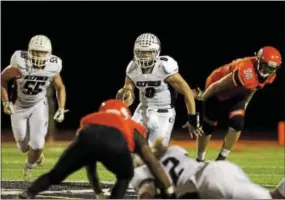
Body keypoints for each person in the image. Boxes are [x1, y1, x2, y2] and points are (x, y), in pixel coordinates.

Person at [18, 99, 175, 199]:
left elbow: (90, 165)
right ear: (125, 114)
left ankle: (28, 193)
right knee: (125, 175)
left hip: (86, 138)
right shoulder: (130, 124)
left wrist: (98, 193)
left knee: (55, 174)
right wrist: (168, 187)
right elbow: (150, 160)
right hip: (115, 142)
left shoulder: (93, 120)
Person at [193, 46, 282, 161]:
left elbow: (254, 88)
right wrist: (201, 100)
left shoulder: (271, 76)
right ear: (258, 60)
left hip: (237, 93)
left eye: (271, 68)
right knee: (208, 127)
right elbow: (218, 85)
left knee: (238, 123)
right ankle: (200, 160)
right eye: (266, 66)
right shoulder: (246, 70)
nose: (268, 71)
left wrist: (244, 105)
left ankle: (221, 160)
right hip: (217, 89)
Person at [116, 33, 201, 148]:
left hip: (163, 113)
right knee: (127, 143)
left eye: (149, 52)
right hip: (143, 109)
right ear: (135, 51)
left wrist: (192, 118)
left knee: (155, 152)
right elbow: (128, 90)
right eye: (141, 52)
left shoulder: (164, 67)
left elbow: (187, 91)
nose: (145, 56)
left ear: (157, 51)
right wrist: (125, 95)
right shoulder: (132, 68)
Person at [1, 35, 67, 181]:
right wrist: (6, 102)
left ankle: (29, 167)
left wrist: (61, 109)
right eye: (36, 52)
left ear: (49, 53)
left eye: (43, 52)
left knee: (37, 143)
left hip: (38, 105)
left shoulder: (53, 65)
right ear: (29, 51)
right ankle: (36, 153)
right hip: (18, 107)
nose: (39, 56)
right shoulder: (20, 62)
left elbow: (60, 87)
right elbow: (2, 80)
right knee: (23, 147)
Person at [132, 138, 274, 199]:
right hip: (221, 167)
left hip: (206, 183)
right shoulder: (175, 150)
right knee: (269, 197)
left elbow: (146, 195)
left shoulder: (142, 172)